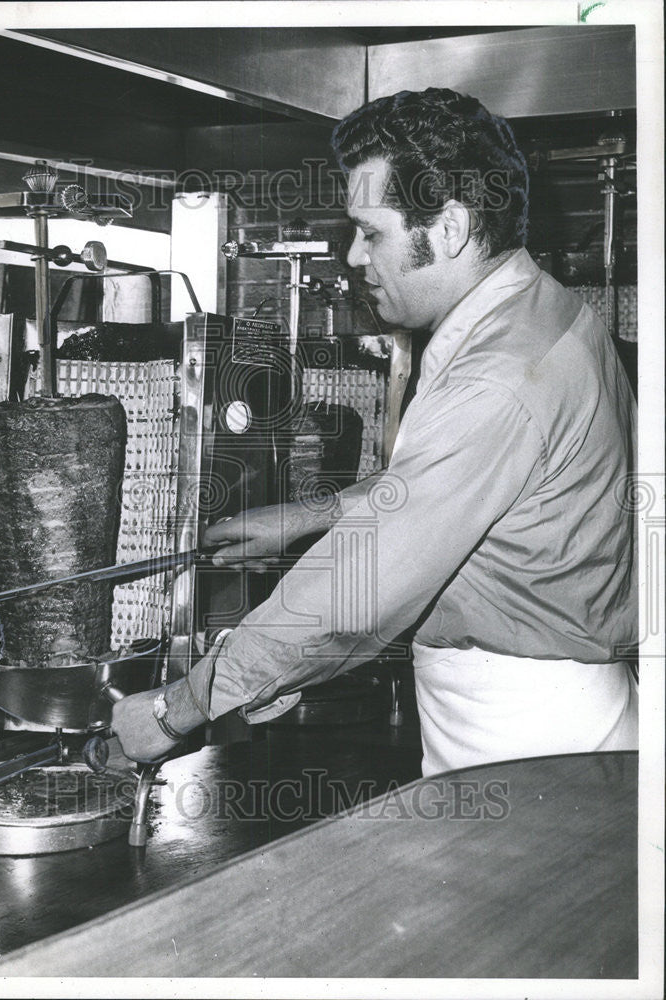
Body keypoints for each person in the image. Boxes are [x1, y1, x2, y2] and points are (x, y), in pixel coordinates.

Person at [111, 88, 638, 775]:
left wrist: (174, 708)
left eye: (373, 231)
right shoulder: (544, 315)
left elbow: (351, 596)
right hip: (541, 720)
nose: (355, 256)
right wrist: (307, 516)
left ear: (449, 228)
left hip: (529, 741)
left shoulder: (497, 375)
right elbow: (454, 491)